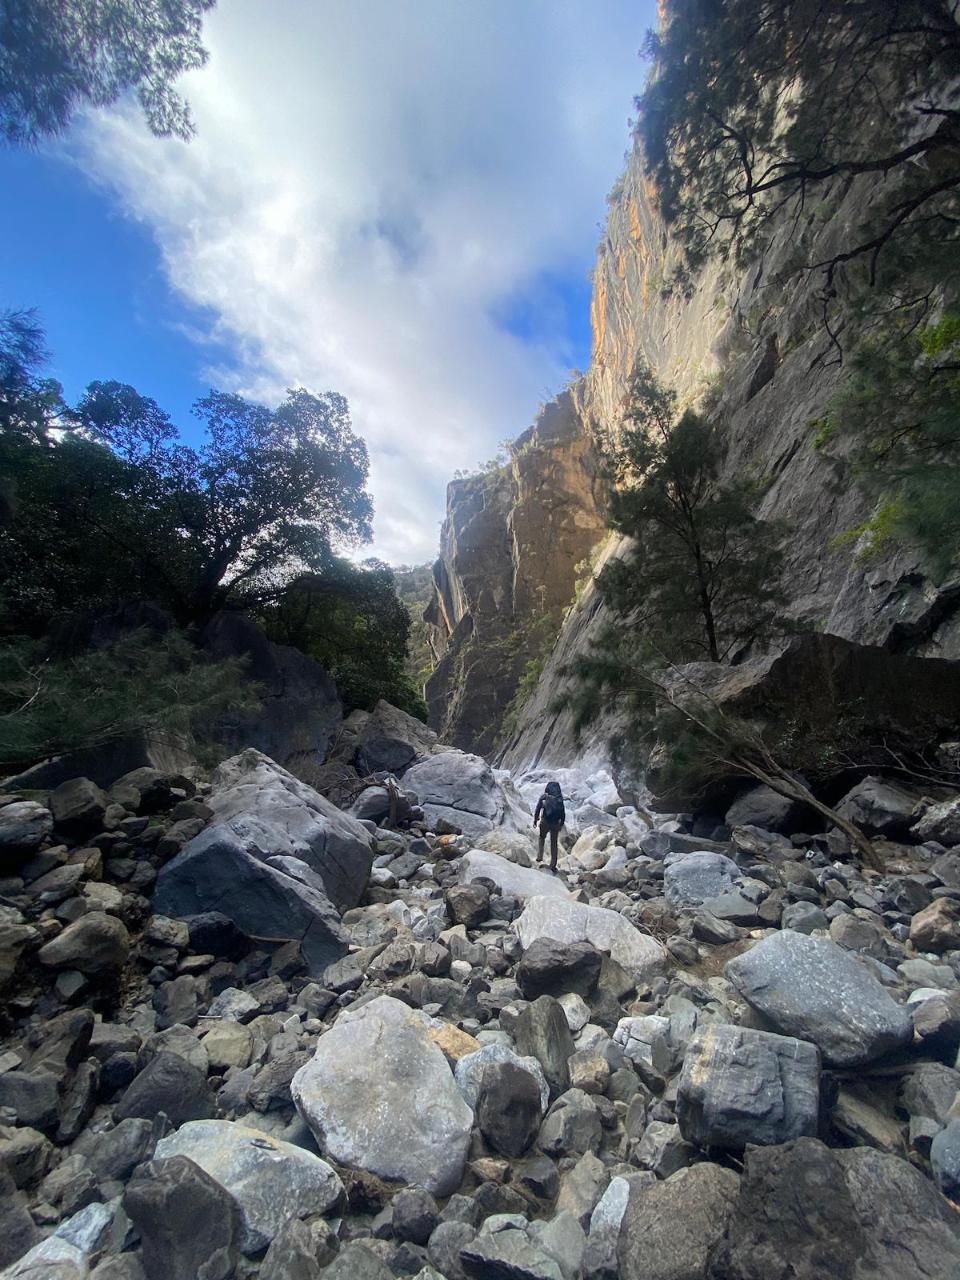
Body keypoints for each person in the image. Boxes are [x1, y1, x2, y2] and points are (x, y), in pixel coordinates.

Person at [534, 780, 565, 872]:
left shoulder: (544, 797)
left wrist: (536, 819)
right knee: (554, 843)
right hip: (555, 823)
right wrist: (561, 823)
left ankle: (540, 856)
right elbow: (563, 813)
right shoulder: (559, 799)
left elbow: (538, 808)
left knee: (542, 837)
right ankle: (553, 864)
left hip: (545, 821)